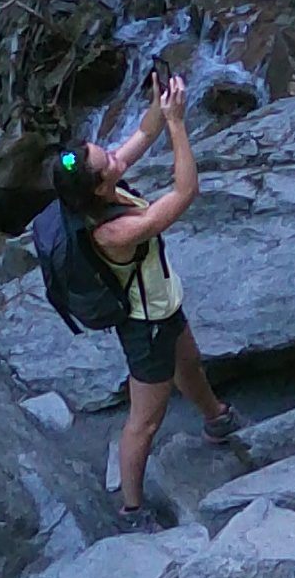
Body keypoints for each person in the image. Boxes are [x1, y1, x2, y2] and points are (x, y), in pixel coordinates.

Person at [56, 72, 240, 521]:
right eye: (109, 162)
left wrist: (162, 103)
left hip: (163, 306)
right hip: (146, 325)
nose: (117, 158)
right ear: (100, 187)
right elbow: (184, 192)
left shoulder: (96, 187)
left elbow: (143, 132)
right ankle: (131, 507)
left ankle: (217, 418)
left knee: (190, 363)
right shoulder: (113, 230)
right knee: (145, 422)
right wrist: (179, 125)